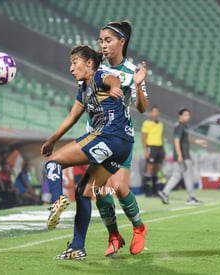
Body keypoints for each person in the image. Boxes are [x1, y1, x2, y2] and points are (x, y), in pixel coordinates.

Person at [41, 45, 135, 260]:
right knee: (84, 191)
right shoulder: (83, 89)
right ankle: (77, 247)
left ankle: (56, 200)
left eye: (75, 62)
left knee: (52, 164)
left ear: (89, 63)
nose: (71, 68)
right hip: (123, 146)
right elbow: (72, 117)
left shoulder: (100, 75)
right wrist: (52, 140)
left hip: (107, 136)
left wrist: (114, 88)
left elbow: (113, 80)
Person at [93, 20, 149, 257]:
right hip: (97, 136)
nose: (103, 45)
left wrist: (138, 85)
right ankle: (114, 235)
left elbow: (142, 108)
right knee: (99, 190)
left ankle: (139, 227)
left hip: (120, 136)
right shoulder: (96, 67)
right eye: (101, 41)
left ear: (121, 42)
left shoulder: (132, 71)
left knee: (119, 186)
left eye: (108, 40)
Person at [158, 108, 208, 205]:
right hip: (183, 156)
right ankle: (190, 198)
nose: (188, 117)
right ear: (180, 116)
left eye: (188, 115)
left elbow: (185, 140)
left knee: (176, 176)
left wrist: (198, 141)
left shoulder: (183, 126)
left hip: (181, 155)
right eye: (185, 115)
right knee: (188, 176)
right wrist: (180, 155)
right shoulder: (180, 126)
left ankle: (165, 192)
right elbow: (176, 141)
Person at [141, 105, 165, 197]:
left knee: (157, 169)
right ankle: (147, 192)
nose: (156, 113)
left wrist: (164, 150)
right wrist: (145, 150)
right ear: (151, 113)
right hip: (151, 147)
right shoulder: (147, 123)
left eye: (157, 111)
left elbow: (161, 137)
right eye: (154, 111)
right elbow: (144, 138)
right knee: (149, 169)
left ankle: (155, 191)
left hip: (159, 148)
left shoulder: (160, 124)